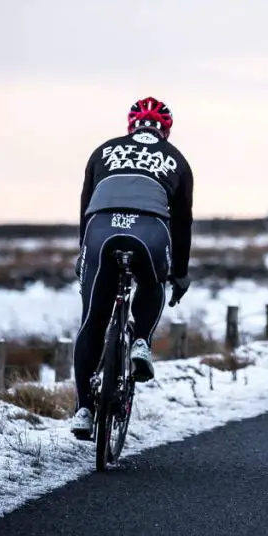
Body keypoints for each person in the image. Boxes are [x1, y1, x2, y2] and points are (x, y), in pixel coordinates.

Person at [68, 97, 194, 439]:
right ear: (165, 129)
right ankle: (140, 341)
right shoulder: (177, 159)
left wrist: (85, 252)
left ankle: (82, 410)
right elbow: (182, 223)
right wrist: (179, 273)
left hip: (101, 229)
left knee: (93, 321)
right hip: (150, 231)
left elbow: (86, 207)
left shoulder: (103, 151)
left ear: (131, 125)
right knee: (153, 283)